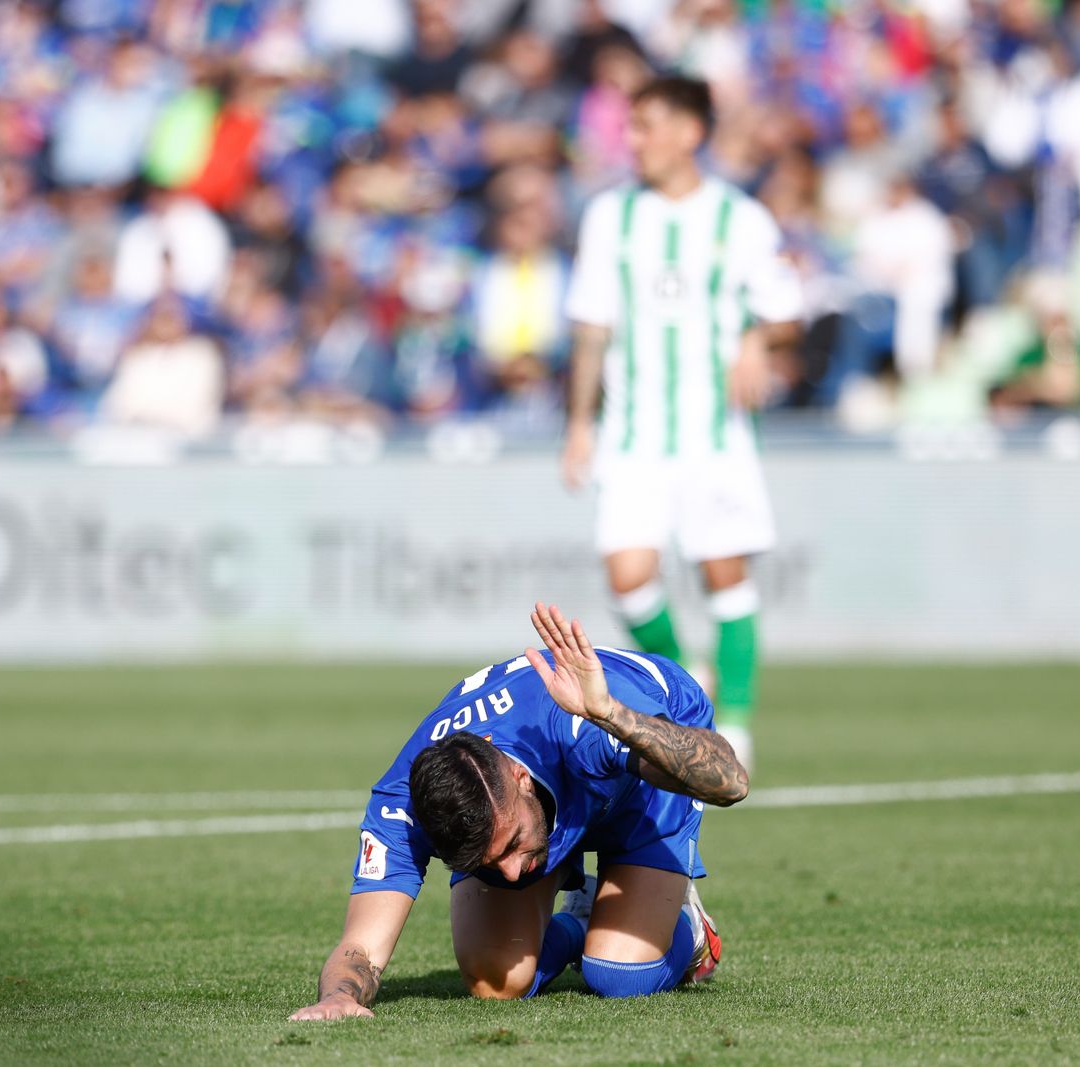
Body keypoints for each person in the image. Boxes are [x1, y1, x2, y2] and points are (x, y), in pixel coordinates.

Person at [288, 603, 748, 1020]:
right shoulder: (403, 803)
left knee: (619, 975)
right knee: (497, 982)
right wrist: (340, 997)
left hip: (642, 758)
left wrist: (609, 713)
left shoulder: (579, 726)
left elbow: (731, 781)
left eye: (509, 844)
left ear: (519, 777)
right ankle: (583, 918)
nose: (510, 874)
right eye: (485, 861)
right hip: (561, 788)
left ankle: (691, 928)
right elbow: (361, 949)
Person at [561, 76, 803, 772]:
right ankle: (687, 679)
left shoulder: (741, 219)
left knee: (724, 572)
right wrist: (580, 423)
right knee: (627, 577)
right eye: (630, 128)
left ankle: (737, 728)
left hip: (714, 436)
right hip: (633, 437)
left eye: (647, 127)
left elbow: (786, 312)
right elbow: (591, 327)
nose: (633, 141)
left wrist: (757, 339)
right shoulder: (611, 216)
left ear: (690, 133)